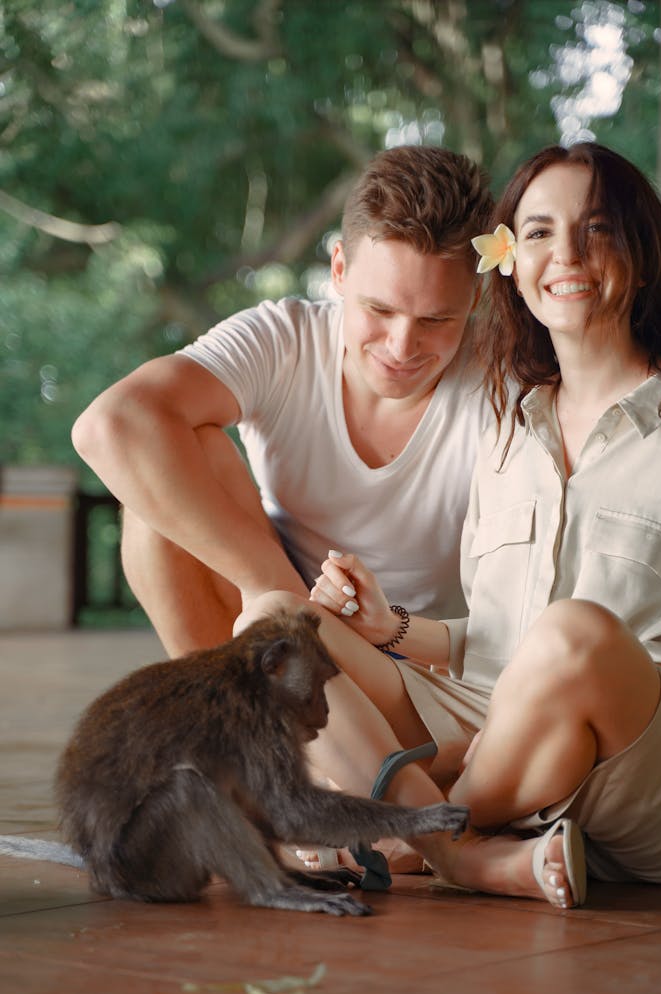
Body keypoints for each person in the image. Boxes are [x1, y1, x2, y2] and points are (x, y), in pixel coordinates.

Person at [266, 141, 661, 909]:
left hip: (652, 778)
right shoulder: (506, 425)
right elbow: (490, 639)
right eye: (539, 232)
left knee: (572, 635)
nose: (568, 254)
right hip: (498, 739)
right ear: (511, 266)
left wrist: (532, 710)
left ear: (644, 253)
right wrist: (391, 626)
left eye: (598, 229)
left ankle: (408, 829)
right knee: (276, 625)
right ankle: (465, 853)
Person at [71, 146, 495, 656]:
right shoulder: (284, 339)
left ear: (475, 298)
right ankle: (227, 723)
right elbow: (109, 425)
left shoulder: (508, 380)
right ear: (339, 269)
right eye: (379, 309)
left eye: (435, 320)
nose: (401, 347)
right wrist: (280, 596)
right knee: (170, 462)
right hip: (277, 632)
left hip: (420, 659)